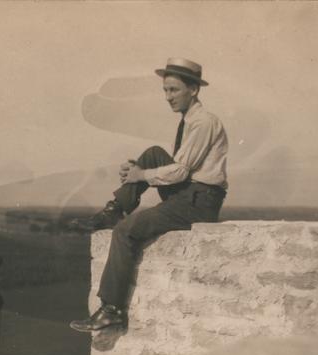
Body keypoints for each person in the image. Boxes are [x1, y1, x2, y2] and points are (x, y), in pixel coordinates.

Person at [70, 57, 228, 333]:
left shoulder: (203, 123)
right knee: (153, 153)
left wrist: (140, 175)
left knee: (125, 231)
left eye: (174, 90)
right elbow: (177, 169)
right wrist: (138, 171)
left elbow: (180, 171)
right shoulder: (190, 120)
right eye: (165, 90)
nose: (168, 97)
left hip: (199, 201)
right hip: (190, 193)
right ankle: (116, 209)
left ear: (193, 90)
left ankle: (112, 310)